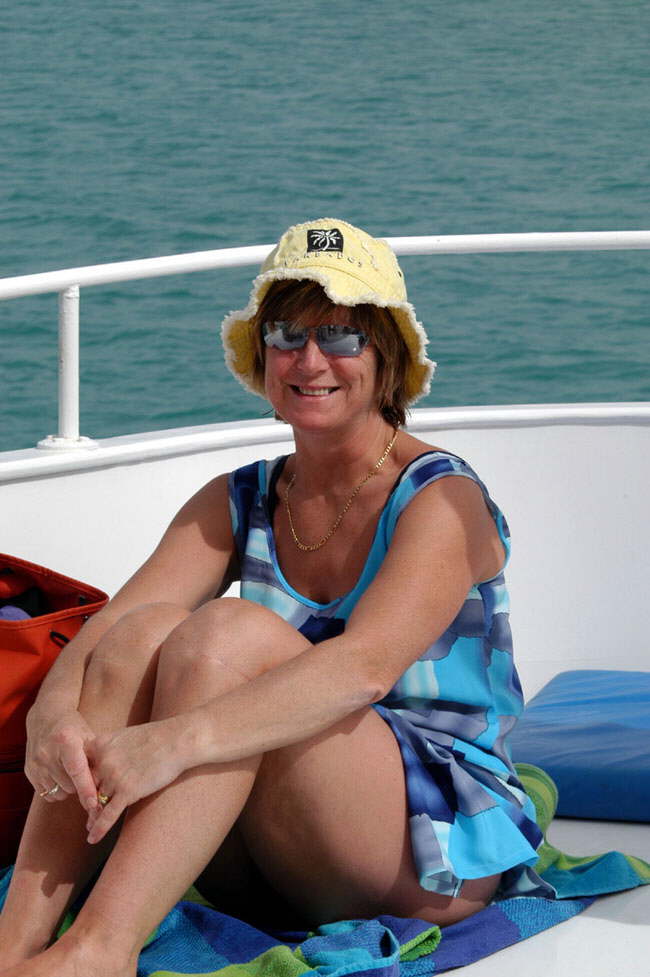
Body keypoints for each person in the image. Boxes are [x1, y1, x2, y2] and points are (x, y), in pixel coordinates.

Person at [0, 218, 549, 977]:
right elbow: (108, 630)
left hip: (427, 848)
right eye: (288, 335)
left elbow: (363, 669)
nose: (310, 359)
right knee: (139, 636)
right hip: (270, 846)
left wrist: (175, 741)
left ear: (387, 358)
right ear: (261, 357)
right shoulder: (242, 496)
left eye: (343, 336)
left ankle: (99, 951)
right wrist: (53, 713)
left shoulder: (440, 497)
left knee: (226, 634)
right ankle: (14, 945)